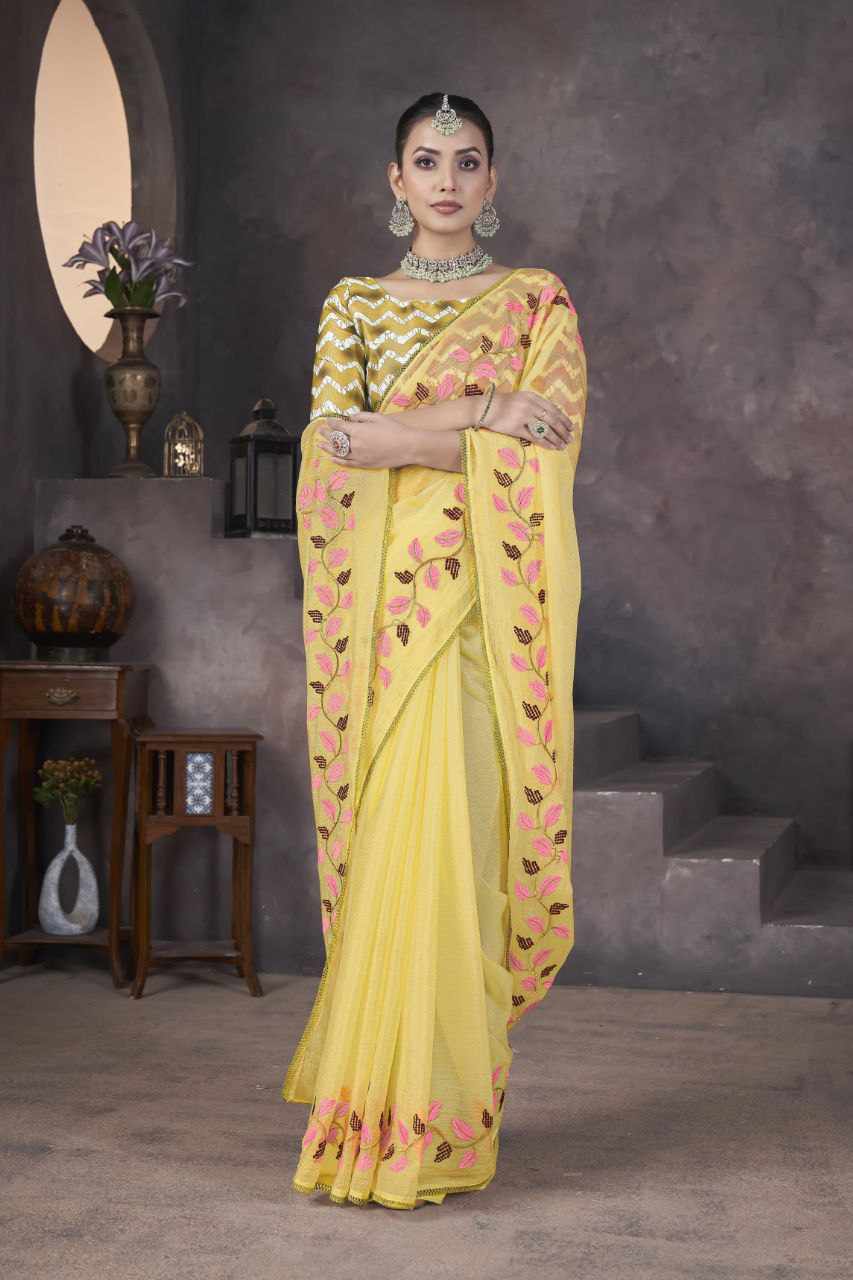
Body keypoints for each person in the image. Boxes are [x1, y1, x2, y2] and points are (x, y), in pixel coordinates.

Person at [281, 91, 587, 1210]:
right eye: (426, 160)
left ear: (492, 182)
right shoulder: (354, 305)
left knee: (462, 847)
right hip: (386, 619)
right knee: (395, 846)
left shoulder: (537, 302)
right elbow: (333, 444)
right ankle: (371, 1115)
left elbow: (546, 446)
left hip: (485, 617)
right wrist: (480, 413)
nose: (446, 180)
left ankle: (444, 1118)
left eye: (466, 161)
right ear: (395, 179)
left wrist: (423, 430)